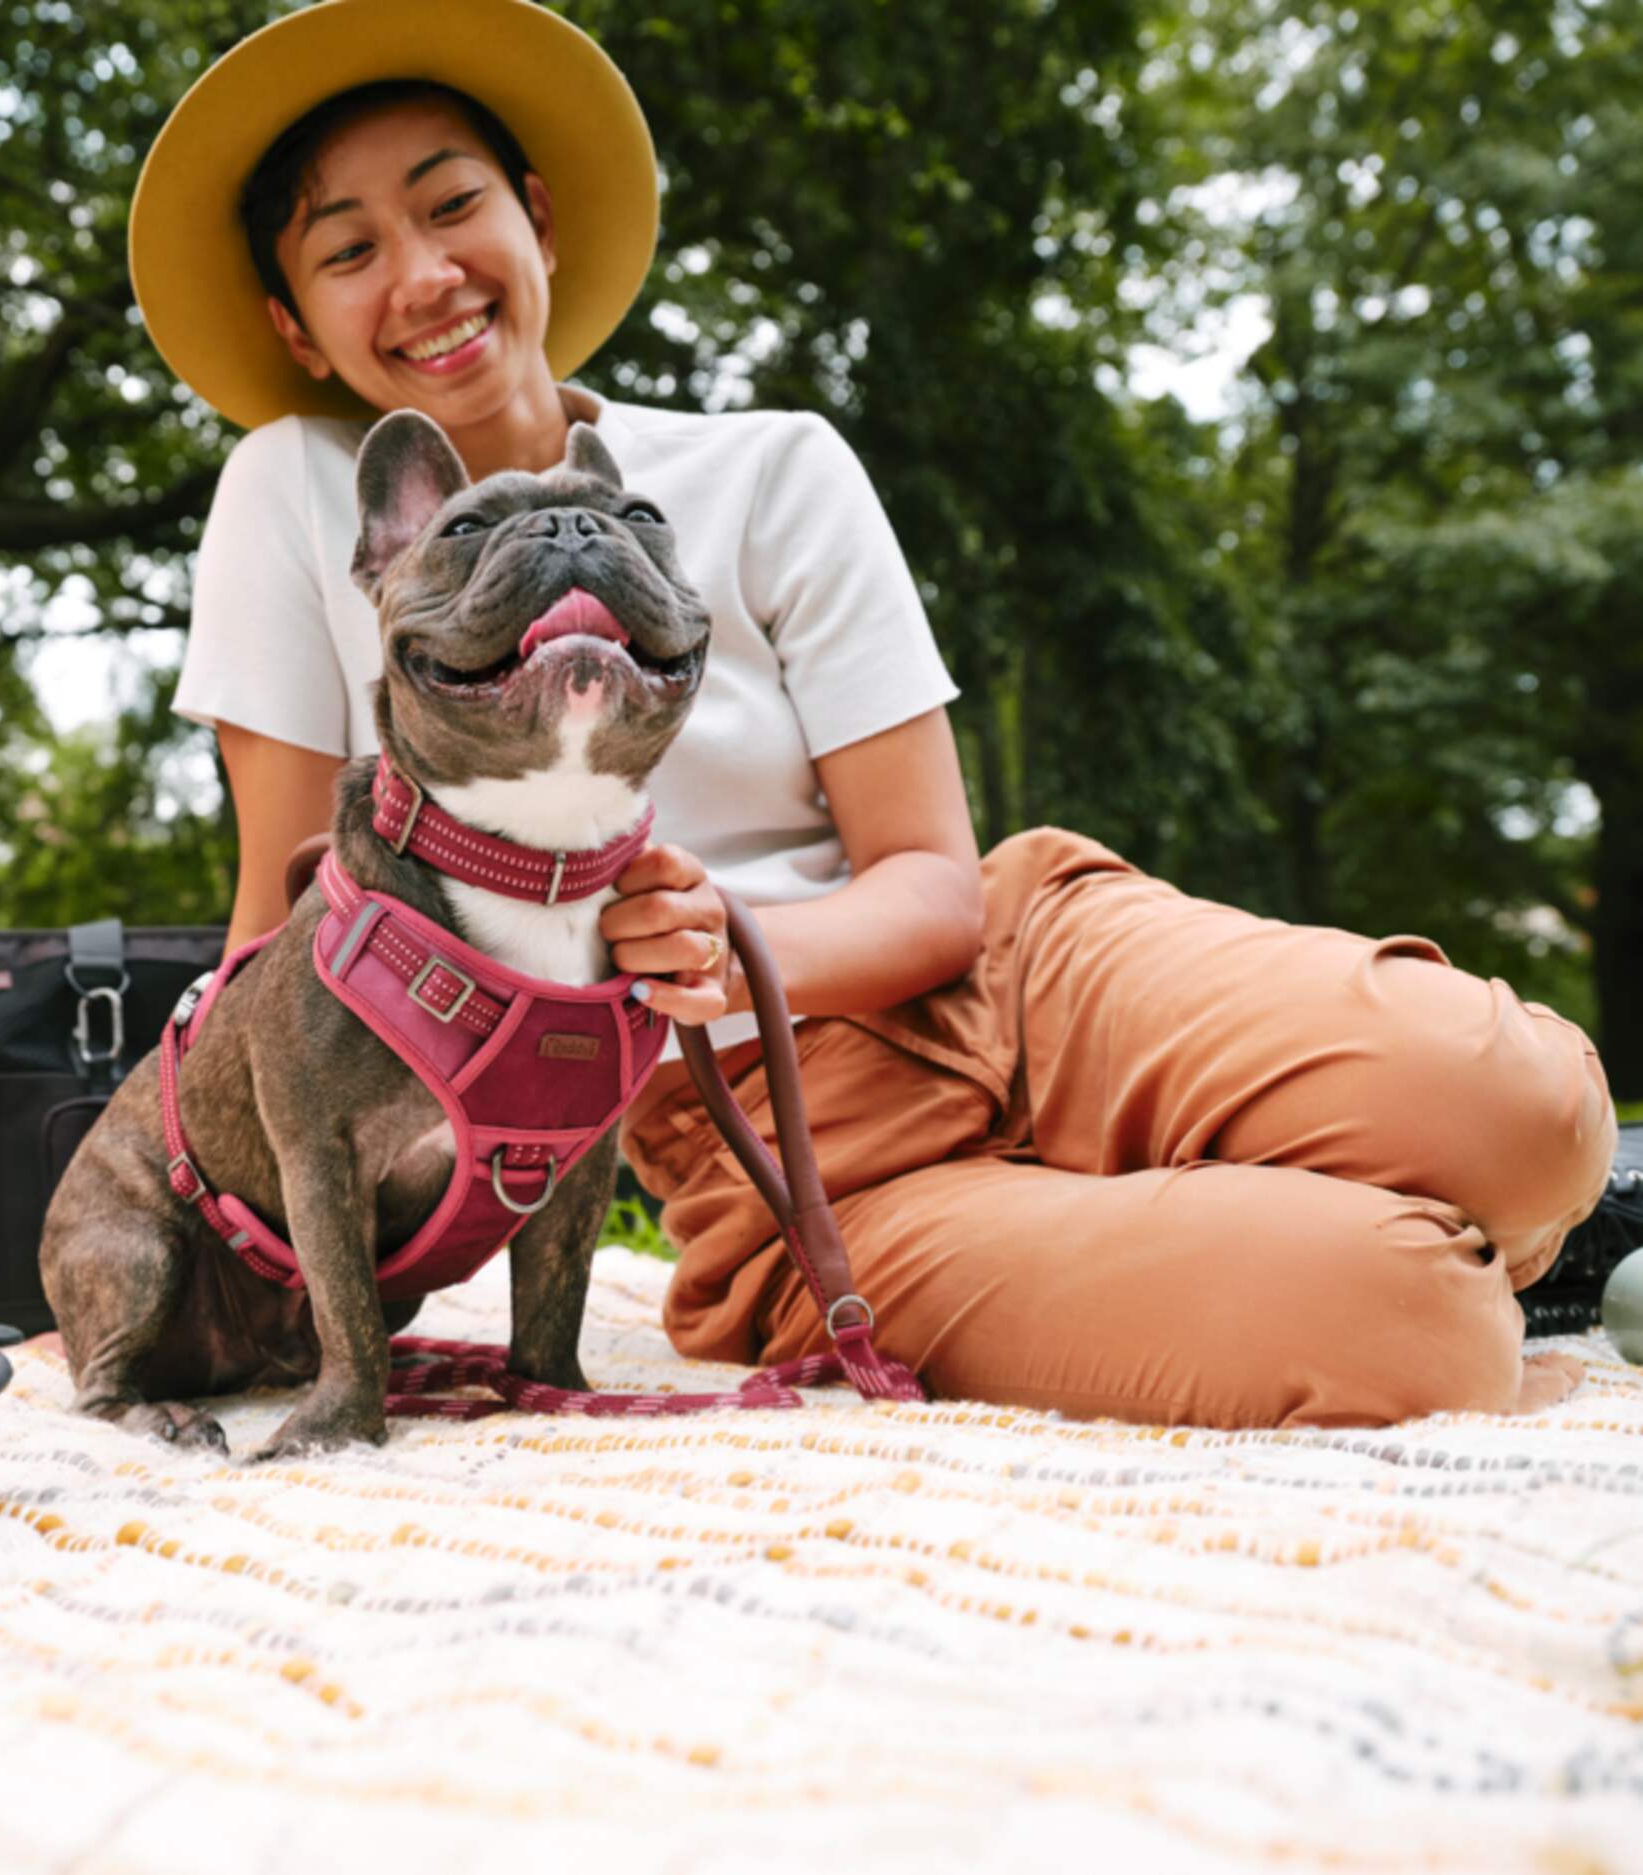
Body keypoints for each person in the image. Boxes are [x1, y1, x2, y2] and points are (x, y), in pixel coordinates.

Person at [127, 0, 1618, 1427]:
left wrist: (725, 939)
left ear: (539, 219)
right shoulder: (301, 497)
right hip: (778, 1145)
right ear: (296, 323)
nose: (425, 273)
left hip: (1038, 969)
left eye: (453, 206)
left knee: (1539, 1112)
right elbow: (282, 931)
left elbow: (931, 882)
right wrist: (193, 1242)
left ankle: (1407, 1215)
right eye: (350, 250)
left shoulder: (772, 468)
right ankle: (1334, 1251)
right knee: (1408, 1319)